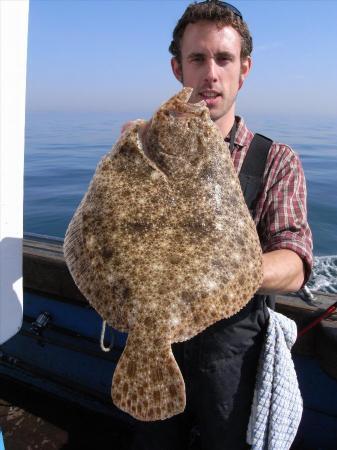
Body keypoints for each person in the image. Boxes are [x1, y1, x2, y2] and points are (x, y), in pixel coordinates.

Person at [130, 1, 313, 449]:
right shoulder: (142, 147)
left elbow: (295, 262)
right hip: (151, 344)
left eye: (223, 59)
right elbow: (113, 234)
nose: (210, 74)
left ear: (243, 69)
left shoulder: (276, 161)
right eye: (197, 59)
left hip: (230, 362)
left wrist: (228, 272)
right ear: (178, 68)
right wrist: (128, 160)